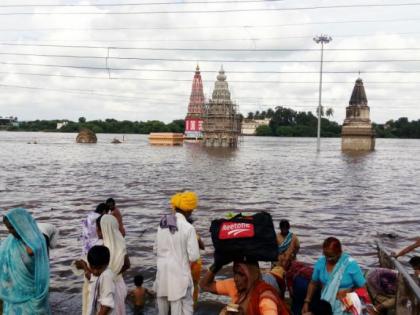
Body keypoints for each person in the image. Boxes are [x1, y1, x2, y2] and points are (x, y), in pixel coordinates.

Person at [154, 191, 201, 315]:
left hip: (162, 276)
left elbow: (155, 250)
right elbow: (194, 256)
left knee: (162, 310)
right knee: (185, 310)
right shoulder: (188, 228)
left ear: (175, 207)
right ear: (189, 210)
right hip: (180, 278)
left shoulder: (162, 225)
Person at [0, 208, 50, 314]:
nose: (10, 231)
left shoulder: (37, 241)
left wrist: (33, 248)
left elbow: (42, 271)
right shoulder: (9, 243)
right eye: (8, 228)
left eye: (12, 228)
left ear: (21, 225)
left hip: (32, 292)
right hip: (14, 293)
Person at [200, 259, 290, 315]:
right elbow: (204, 285)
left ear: (251, 275)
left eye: (241, 274)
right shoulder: (234, 285)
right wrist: (218, 264)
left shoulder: (265, 297)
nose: (236, 278)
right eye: (235, 272)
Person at [303, 237, 366, 315]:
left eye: (331, 256)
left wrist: (349, 292)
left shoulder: (350, 264)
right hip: (325, 307)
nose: (328, 259)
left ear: (339, 252)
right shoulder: (321, 262)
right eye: (326, 255)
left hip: (346, 306)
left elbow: (364, 288)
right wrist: (307, 302)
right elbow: (313, 283)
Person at [99, 214, 130, 315]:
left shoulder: (103, 247)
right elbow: (127, 265)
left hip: (108, 287)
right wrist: (116, 273)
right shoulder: (121, 243)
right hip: (120, 284)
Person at [86, 245, 116, 315]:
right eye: (92, 268)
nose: (95, 271)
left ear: (107, 263)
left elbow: (106, 305)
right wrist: (90, 277)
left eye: (99, 268)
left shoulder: (106, 276)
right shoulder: (101, 274)